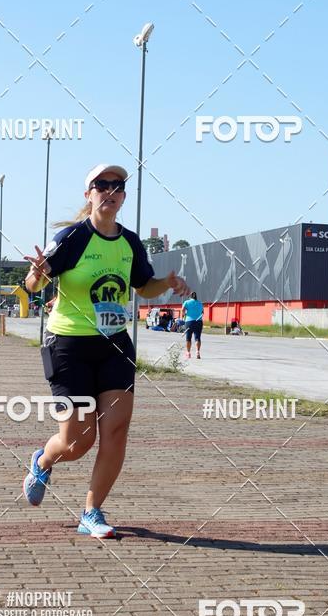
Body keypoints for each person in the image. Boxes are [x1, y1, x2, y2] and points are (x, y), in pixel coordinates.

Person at [22, 163, 189, 538]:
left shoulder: (130, 243)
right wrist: (38, 272)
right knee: (78, 441)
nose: (110, 191)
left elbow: (143, 286)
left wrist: (168, 282)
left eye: (118, 186)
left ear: (123, 196)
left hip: (115, 346)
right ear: (89, 194)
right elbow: (33, 284)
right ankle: (44, 460)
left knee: (115, 432)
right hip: (69, 346)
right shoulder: (72, 239)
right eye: (102, 185)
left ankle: (91, 512)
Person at [181, 290, 204, 359]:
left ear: (190, 297)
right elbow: (203, 312)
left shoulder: (187, 302)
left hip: (189, 321)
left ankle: (188, 353)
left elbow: (182, 310)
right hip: (199, 322)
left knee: (188, 338)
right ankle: (197, 352)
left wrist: (184, 316)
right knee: (197, 337)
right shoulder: (200, 303)